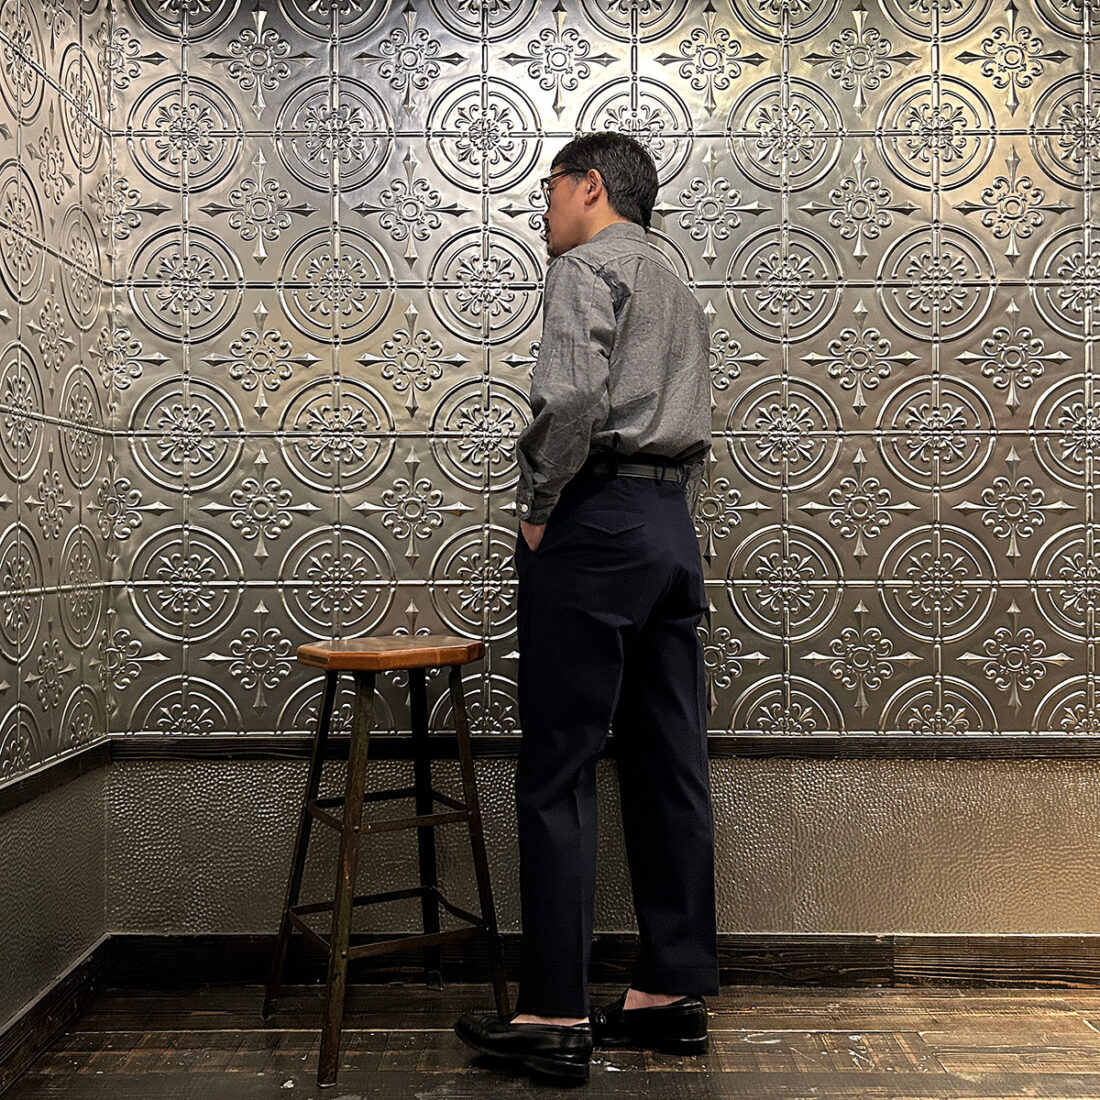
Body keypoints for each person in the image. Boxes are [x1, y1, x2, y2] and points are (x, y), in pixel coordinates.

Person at [454, 131, 718, 1084]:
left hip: (597, 521)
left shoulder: (585, 268)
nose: (544, 210)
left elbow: (569, 402)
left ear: (591, 186)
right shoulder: (674, 279)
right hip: (668, 528)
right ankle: (668, 993)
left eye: (551, 189)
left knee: (559, 762)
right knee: (669, 760)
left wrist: (536, 507)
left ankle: (554, 1011)